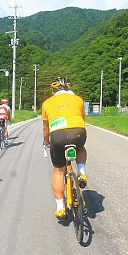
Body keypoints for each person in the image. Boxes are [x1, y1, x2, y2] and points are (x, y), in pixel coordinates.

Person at [41, 77, 88, 220]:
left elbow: (45, 127)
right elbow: (82, 120)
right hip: (78, 132)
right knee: (81, 148)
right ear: (68, 88)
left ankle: (60, 207)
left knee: (58, 172)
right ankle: (81, 171)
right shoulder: (79, 100)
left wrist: (46, 141)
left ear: (53, 90)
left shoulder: (47, 103)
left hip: (58, 136)